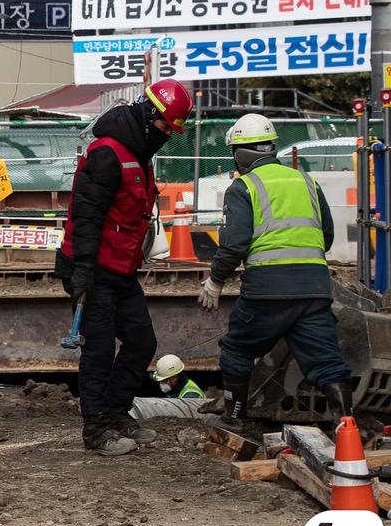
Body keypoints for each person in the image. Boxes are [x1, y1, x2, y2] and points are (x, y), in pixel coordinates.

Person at [56, 78, 193, 455]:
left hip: (118, 269)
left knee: (141, 341)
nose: (166, 134)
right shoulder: (108, 153)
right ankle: (96, 430)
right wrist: (82, 270)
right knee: (98, 350)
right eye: (165, 126)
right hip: (93, 267)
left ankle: (115, 412)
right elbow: (86, 215)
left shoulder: (138, 153)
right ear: (150, 115)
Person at [200, 113, 354, 433]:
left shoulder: (243, 187)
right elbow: (325, 237)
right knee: (326, 359)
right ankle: (347, 424)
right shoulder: (306, 181)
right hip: (314, 286)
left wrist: (215, 281)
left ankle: (235, 418)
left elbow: (234, 245)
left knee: (238, 348)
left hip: (268, 289)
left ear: (241, 153)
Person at [128, 353, 205, 420]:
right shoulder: (175, 389)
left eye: (166, 380)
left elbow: (186, 418)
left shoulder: (190, 394)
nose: (163, 383)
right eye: (162, 380)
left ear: (175, 377)